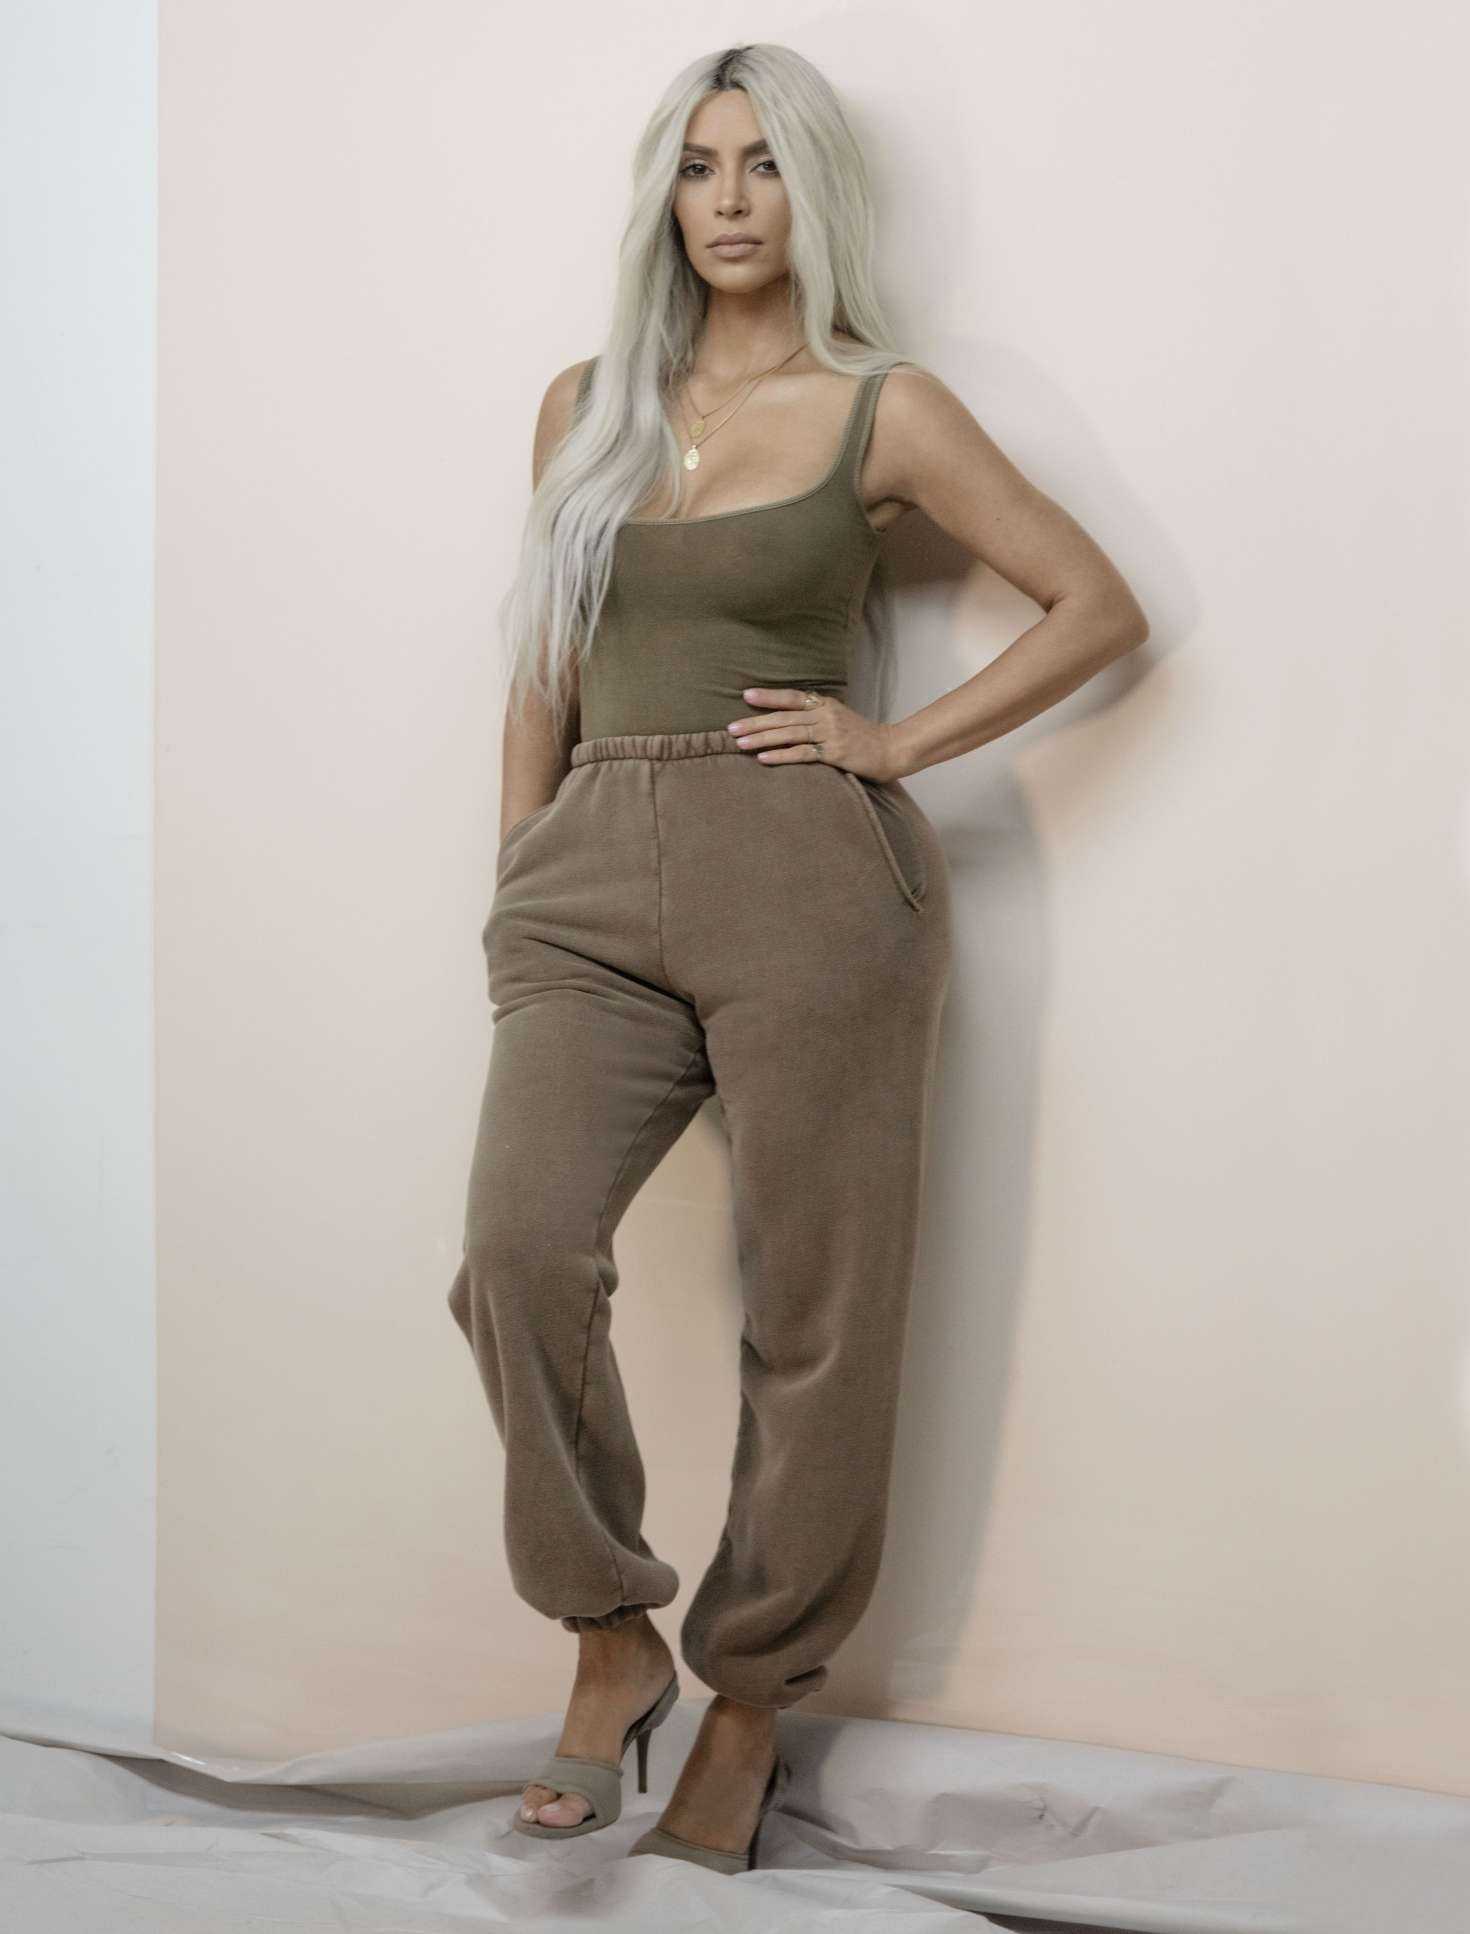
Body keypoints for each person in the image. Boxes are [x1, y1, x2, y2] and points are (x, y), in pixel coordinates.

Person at [447, 41, 1148, 1874]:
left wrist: (892, 742)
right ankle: (610, 1633)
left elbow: (1096, 602)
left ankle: (749, 1701)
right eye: (698, 166)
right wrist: (518, 879)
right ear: (663, 196)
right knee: (516, 1250)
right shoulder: (584, 406)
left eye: (762, 163)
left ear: (810, 189)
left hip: (809, 883)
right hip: (587, 875)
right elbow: (541, 664)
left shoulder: (880, 408)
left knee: (818, 1314)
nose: (730, 199)